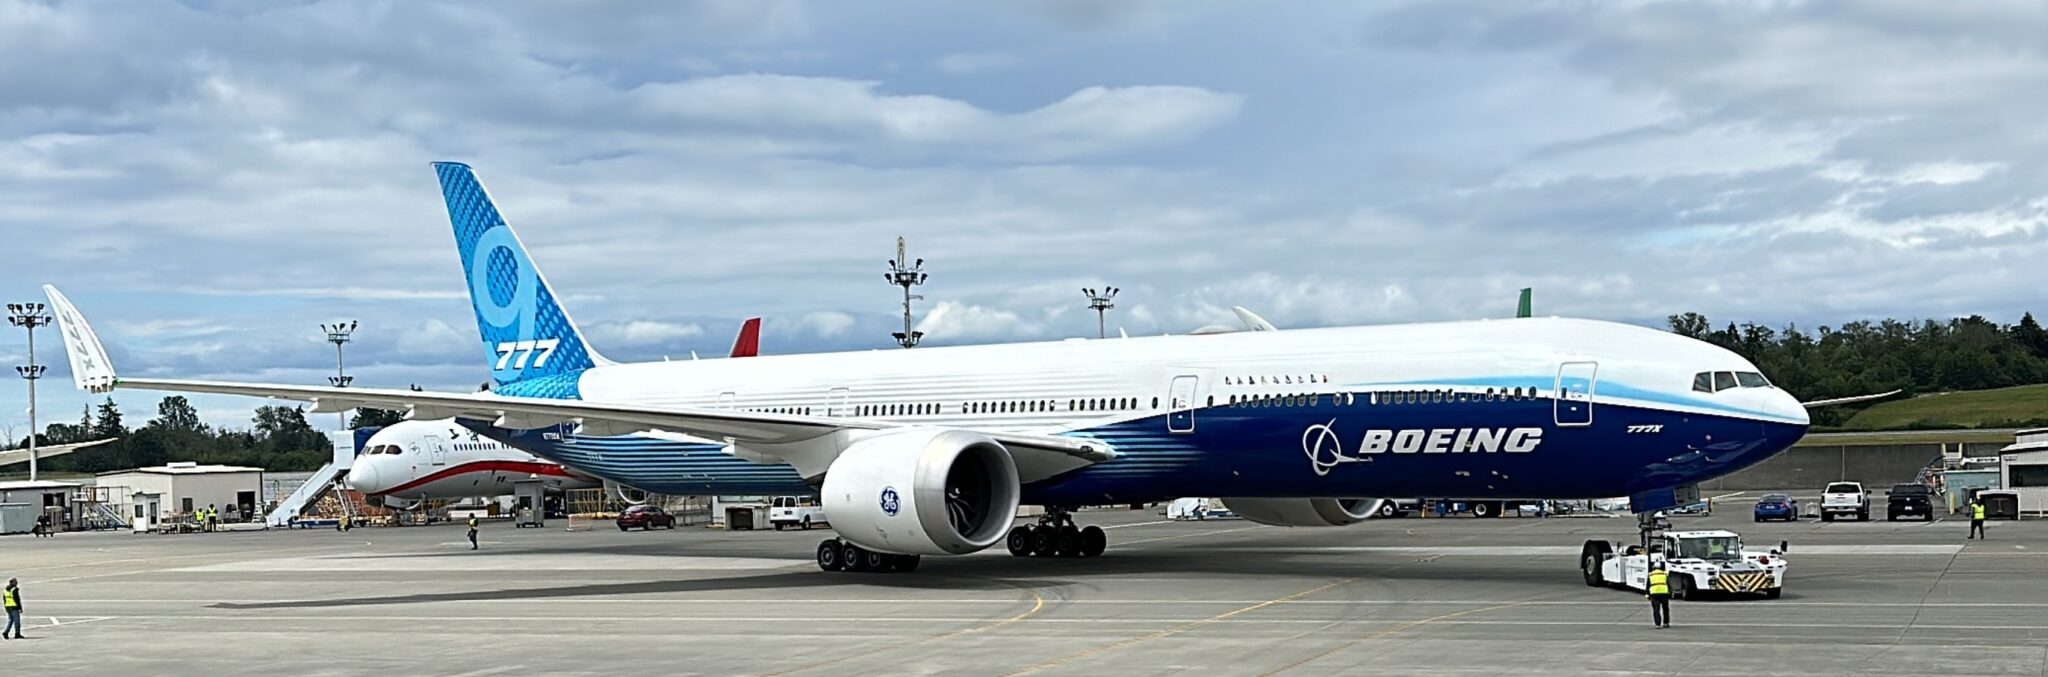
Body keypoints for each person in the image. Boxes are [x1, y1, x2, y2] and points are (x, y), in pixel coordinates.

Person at [1646, 564, 1672, 629]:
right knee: (1665, 609)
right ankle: (1666, 623)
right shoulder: (1664, 574)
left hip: (1654, 594)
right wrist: (1670, 592)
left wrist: (1647, 594)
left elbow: (1648, 585)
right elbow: (1668, 584)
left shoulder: (1650, 575)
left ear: (1653, 568)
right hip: (1664, 593)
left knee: (1656, 609)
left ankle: (1658, 624)